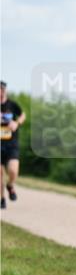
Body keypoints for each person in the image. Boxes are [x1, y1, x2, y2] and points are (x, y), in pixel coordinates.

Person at [1, 81, 26, 210]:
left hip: (11, 144)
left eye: (2, 90)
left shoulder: (12, 105)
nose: (0, 92)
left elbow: (23, 115)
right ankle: (2, 199)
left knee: (13, 171)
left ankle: (10, 185)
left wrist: (17, 123)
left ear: (5, 91)